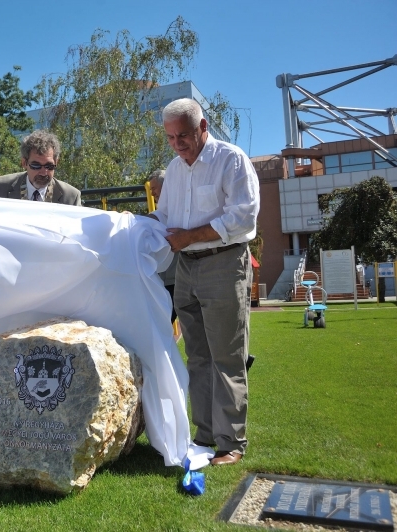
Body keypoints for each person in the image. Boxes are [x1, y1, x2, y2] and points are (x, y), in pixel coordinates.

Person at [149, 98, 260, 466]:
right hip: (187, 267)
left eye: (183, 135)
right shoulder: (174, 169)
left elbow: (243, 218)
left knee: (227, 357)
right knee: (197, 356)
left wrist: (190, 237)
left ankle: (231, 444)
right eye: (170, 138)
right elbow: (165, 217)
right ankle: (205, 435)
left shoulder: (231, 159)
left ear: (203, 127)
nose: (177, 144)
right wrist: (131, 226)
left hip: (224, 264)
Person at [0, 130, 81, 205]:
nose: (43, 172)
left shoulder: (71, 197)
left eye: (49, 166)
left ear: (56, 162)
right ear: (24, 163)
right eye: (36, 166)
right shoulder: (0, 188)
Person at [147, 170, 177, 324]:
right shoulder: (158, 215)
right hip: (167, 279)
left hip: (175, 279)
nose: (152, 193)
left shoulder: (180, 211)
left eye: (154, 188)